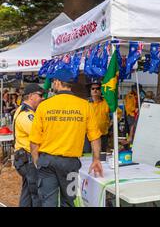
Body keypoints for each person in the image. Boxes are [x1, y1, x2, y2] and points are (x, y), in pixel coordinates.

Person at [29, 68, 103, 207]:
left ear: (57, 82)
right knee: (69, 202)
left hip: (47, 163)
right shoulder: (85, 105)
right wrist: (96, 159)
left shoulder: (44, 106)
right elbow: (95, 137)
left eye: (53, 82)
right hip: (71, 164)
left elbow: (34, 140)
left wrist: (36, 161)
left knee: (48, 203)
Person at [13, 83, 45, 207]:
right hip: (28, 159)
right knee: (37, 194)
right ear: (31, 96)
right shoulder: (26, 115)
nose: (42, 98)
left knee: (27, 193)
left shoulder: (25, 111)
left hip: (25, 158)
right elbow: (38, 135)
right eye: (40, 95)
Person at [89, 82, 111, 152]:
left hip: (103, 135)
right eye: (93, 89)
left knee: (102, 156)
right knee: (88, 156)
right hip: (89, 135)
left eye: (97, 89)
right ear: (90, 91)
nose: (95, 90)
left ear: (101, 91)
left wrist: (111, 123)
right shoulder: (86, 104)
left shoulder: (107, 102)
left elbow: (118, 113)